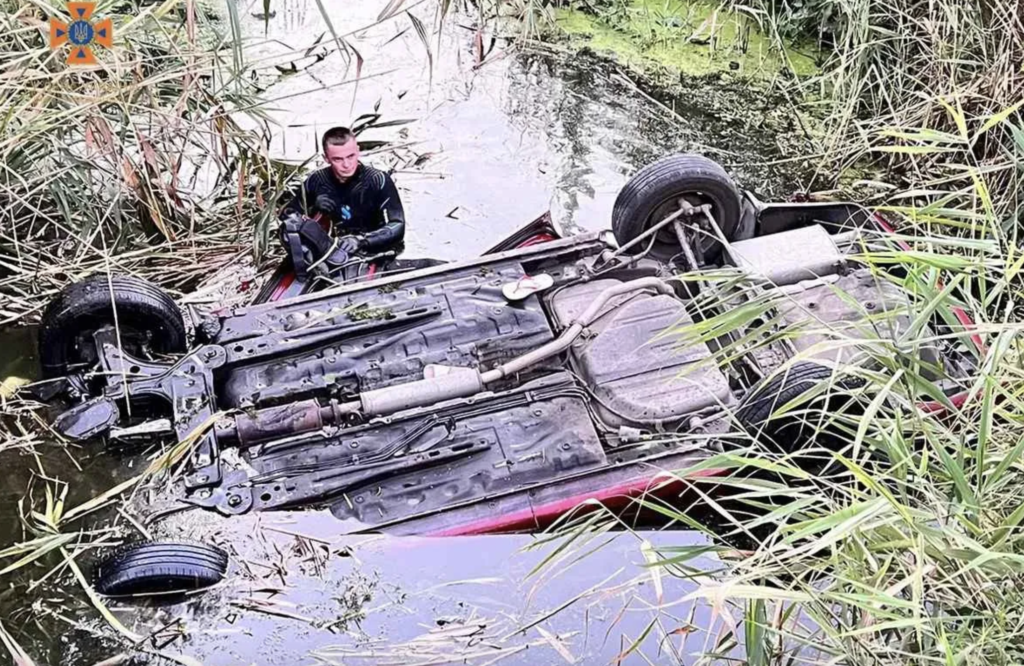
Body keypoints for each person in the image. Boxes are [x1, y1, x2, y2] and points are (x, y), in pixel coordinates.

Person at [278, 127, 406, 273]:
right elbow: (288, 214)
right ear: (326, 158)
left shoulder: (378, 180)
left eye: (351, 156)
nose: (346, 165)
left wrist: (361, 240)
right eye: (338, 159)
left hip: (374, 248)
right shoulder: (317, 180)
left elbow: (397, 226)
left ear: (358, 150)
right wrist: (313, 206)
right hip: (331, 248)